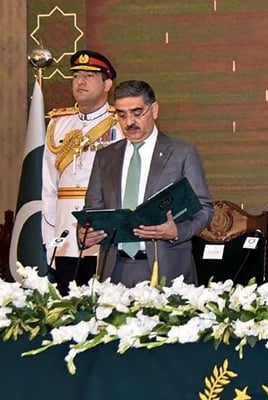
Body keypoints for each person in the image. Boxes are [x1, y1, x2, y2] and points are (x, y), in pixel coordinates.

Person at [79, 80, 213, 287]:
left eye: (137, 112)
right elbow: (92, 210)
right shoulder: (105, 157)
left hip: (167, 269)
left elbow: (204, 209)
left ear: (154, 110)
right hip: (115, 270)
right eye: (121, 115)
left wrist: (177, 231)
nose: (129, 122)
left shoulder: (182, 152)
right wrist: (86, 232)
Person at [41, 50, 121, 295]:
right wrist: (50, 239)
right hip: (65, 234)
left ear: (107, 84)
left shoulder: (121, 122)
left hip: (103, 232)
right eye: (76, 76)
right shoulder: (59, 122)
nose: (80, 81)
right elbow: (49, 185)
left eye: (89, 75)